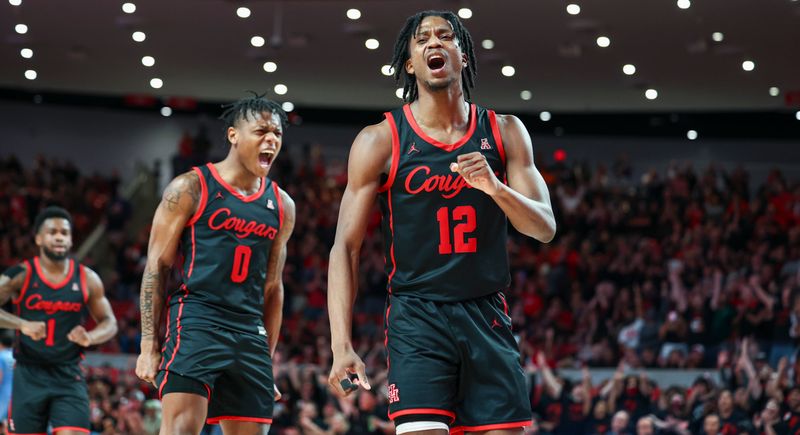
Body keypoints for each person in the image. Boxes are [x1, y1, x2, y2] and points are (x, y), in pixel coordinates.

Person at [327, 10, 556, 435]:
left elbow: (544, 227)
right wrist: (341, 346)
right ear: (410, 63)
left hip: (485, 312)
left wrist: (495, 187)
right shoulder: (379, 140)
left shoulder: (504, 131)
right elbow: (345, 247)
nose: (434, 42)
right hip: (418, 315)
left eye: (446, 36)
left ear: (462, 55)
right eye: (422, 39)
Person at [135, 94, 295, 435]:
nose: (271, 140)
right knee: (180, 429)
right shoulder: (190, 187)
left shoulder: (282, 205)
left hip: (249, 330)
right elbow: (156, 268)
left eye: (277, 134)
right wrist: (149, 346)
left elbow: (273, 287)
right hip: (197, 320)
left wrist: (265, 362)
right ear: (233, 135)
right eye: (262, 131)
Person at [0, 206, 118, 435]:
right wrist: (21, 324)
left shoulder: (87, 278)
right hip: (28, 374)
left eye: (64, 233)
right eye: (52, 232)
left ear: (71, 240)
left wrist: (90, 336)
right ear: (38, 238)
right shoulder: (21, 274)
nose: (59, 237)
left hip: (68, 375)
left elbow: (110, 322)